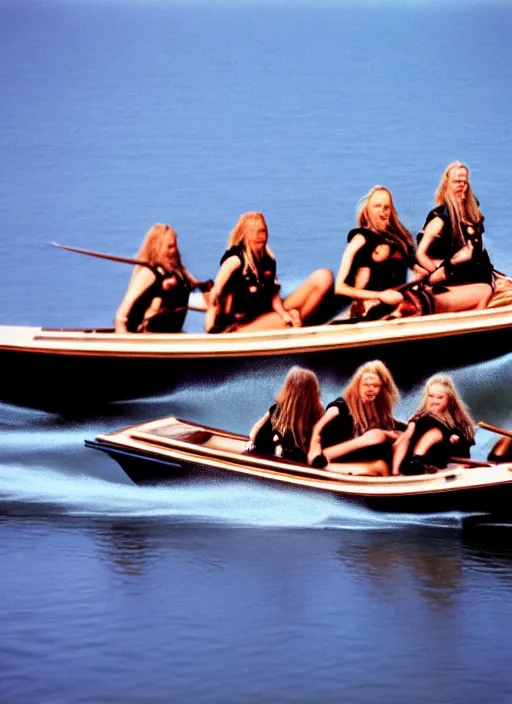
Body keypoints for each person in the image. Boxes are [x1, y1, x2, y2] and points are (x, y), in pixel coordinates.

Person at [205, 212, 333, 333]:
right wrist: (211, 329)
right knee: (287, 319)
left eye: (264, 231)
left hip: (265, 311)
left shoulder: (268, 259)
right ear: (246, 234)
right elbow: (215, 294)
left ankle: (295, 324)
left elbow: (274, 296)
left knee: (324, 277)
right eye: (257, 232)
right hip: (241, 323)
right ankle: (290, 325)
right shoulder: (234, 261)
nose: (261, 235)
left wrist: (284, 314)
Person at [416, 161, 494, 312]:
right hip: (453, 274)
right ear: (447, 183)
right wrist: (438, 272)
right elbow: (420, 254)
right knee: (485, 291)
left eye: (464, 182)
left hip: (477, 272)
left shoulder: (472, 214)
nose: (461, 185)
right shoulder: (439, 218)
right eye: (457, 181)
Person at [307, 360, 404, 476]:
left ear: (381, 389)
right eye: (366, 385)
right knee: (380, 462)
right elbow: (318, 427)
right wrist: (314, 450)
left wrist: (392, 434)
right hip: (326, 460)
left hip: (355, 461)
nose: (370, 389)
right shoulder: (341, 406)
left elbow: (396, 428)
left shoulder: (378, 412)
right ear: (358, 385)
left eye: (375, 386)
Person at [333, 186, 416, 320]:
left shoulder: (400, 240)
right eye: (377, 206)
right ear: (367, 211)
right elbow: (340, 287)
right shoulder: (360, 238)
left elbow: (417, 269)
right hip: (370, 306)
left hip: (399, 302)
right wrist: (379, 296)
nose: (383, 212)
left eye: (387, 207)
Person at [114, 223, 212, 333]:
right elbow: (126, 305)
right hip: (147, 334)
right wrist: (121, 328)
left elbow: (201, 287)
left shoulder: (179, 271)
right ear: (157, 248)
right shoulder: (149, 273)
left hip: (170, 333)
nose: (174, 251)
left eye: (175, 246)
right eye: (170, 247)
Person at [391, 375, 475, 476]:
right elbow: (409, 434)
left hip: (445, 456)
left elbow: (465, 441)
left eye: (439, 397)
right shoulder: (421, 416)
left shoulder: (457, 419)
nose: (434, 401)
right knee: (431, 428)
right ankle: (415, 461)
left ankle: (420, 462)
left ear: (449, 399)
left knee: (442, 433)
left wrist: (455, 436)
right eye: (431, 396)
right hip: (420, 456)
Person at [244, 366, 324, 464]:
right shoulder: (277, 410)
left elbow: (255, 431)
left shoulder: (277, 410)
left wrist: (252, 441)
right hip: (285, 460)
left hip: (275, 459)